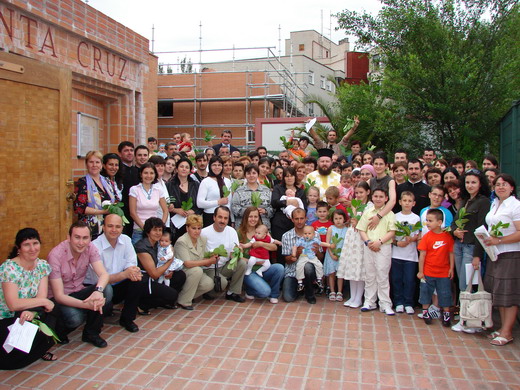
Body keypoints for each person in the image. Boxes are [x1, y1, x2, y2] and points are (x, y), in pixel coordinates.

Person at [0, 228, 59, 369]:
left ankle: (38, 350)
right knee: (9, 362)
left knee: (55, 313)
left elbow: (41, 296)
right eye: (27, 244)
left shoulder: (42, 266)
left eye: (35, 243)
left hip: (29, 313)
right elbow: (13, 304)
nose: (32, 248)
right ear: (18, 248)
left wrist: (33, 312)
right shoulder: (9, 268)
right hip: (6, 316)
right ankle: (34, 351)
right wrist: (43, 302)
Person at [48, 222, 109, 348]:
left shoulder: (90, 248)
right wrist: (86, 305)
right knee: (75, 318)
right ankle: (59, 330)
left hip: (78, 290)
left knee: (105, 290)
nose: (81, 242)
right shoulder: (55, 255)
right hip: (59, 298)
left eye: (85, 238)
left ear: (90, 238)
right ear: (68, 238)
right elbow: (59, 296)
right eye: (77, 237)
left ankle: (91, 333)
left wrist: (98, 291)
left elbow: (104, 274)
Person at [477, 174, 520, 346]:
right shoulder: (495, 203)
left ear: (512, 187)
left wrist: (499, 240)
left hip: (510, 253)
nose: (501, 187)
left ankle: (508, 332)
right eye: (498, 184)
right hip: (495, 253)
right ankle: (502, 328)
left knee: (509, 292)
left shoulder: (515, 205)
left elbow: (519, 232)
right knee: (499, 292)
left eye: (505, 184)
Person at [85, 214, 144, 333]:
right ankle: (94, 329)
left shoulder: (126, 240)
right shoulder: (94, 246)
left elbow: (131, 263)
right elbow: (101, 279)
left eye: (118, 226)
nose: (114, 230)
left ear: (122, 228)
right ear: (103, 227)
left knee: (137, 279)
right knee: (106, 289)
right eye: (110, 226)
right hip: (98, 289)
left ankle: (127, 319)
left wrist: (132, 272)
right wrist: (125, 274)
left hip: (117, 285)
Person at [450, 170, 490, 333]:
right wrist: (455, 231)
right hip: (459, 246)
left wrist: (477, 256)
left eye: (473, 182)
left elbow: (482, 229)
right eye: (467, 182)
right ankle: (465, 315)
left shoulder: (483, 202)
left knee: (467, 284)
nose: (470, 185)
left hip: (471, 247)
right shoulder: (464, 201)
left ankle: (471, 320)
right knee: (462, 283)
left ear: (480, 184)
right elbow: (454, 223)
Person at [357, 189, 397, 315]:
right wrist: (368, 242)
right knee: (370, 275)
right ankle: (369, 301)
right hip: (369, 246)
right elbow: (361, 229)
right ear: (372, 197)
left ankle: (385, 304)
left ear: (386, 198)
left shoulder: (389, 213)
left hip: (383, 247)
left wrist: (379, 242)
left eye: (381, 196)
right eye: (376, 196)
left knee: (382, 275)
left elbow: (392, 231)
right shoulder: (367, 212)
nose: (378, 199)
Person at [134, 218, 186, 313]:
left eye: (160, 230)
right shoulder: (142, 247)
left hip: (159, 275)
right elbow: (154, 274)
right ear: (148, 231)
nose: (158, 233)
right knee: (172, 295)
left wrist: (170, 271)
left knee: (180, 276)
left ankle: (162, 301)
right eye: (155, 230)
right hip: (145, 280)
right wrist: (169, 262)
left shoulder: (159, 243)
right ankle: (142, 304)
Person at [237, 207, 284, 303]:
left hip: (263, 269)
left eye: (256, 216)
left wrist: (262, 244)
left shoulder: (263, 231)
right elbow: (236, 256)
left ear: (259, 218)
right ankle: (250, 289)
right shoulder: (239, 232)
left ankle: (273, 295)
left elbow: (274, 247)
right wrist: (253, 262)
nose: (253, 219)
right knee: (264, 292)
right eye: (250, 216)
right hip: (249, 271)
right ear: (246, 217)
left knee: (279, 268)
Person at [417, 209, 455, 327]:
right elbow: (422, 255)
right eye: (426, 220)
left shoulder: (447, 237)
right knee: (425, 292)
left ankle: (446, 315)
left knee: (444, 293)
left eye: (430, 221)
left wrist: (451, 268)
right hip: (428, 271)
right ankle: (425, 313)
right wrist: (421, 271)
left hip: (443, 272)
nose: (427, 223)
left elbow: (451, 253)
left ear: (439, 223)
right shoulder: (426, 237)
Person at [201, 206, 246, 302]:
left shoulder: (232, 231)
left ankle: (232, 293)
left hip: (224, 266)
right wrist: (209, 259)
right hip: (209, 268)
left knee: (242, 263)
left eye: (225, 218)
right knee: (222, 283)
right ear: (214, 217)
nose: (222, 220)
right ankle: (208, 291)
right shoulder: (204, 233)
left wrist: (237, 253)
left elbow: (234, 252)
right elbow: (199, 256)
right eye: (220, 217)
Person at [338, 181, 373, 309]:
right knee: (352, 267)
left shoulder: (370, 206)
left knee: (360, 267)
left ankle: (359, 297)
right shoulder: (354, 204)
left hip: (362, 237)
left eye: (361, 192)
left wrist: (358, 222)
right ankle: (352, 296)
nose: (358, 195)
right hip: (352, 236)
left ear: (368, 192)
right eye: (356, 193)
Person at [173, 215, 216, 310]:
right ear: (187, 228)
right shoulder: (182, 241)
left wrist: (211, 259)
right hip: (181, 272)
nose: (197, 231)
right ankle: (184, 301)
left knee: (209, 284)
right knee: (197, 271)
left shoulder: (203, 239)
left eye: (199, 228)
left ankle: (182, 296)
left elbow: (204, 259)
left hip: (196, 271)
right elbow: (187, 263)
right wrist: (208, 261)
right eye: (194, 228)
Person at [281, 208, 324, 304]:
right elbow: (287, 260)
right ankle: (301, 288)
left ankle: (310, 294)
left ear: (306, 219)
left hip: (309, 268)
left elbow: (321, 258)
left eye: (301, 218)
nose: (299, 221)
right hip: (292, 271)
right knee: (288, 297)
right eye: (296, 219)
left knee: (308, 267)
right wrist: (296, 253)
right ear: (292, 219)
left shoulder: (315, 234)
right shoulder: (286, 236)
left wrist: (317, 251)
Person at [390, 191, 421, 315]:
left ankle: (409, 303)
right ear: (400, 202)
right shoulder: (395, 216)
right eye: (404, 200)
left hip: (410, 255)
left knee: (409, 280)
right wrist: (397, 243)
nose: (407, 203)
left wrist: (411, 239)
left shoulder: (416, 218)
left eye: (409, 201)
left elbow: (418, 234)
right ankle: (398, 302)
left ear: (413, 203)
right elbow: (391, 235)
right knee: (396, 279)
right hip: (396, 254)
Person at [74, 151, 115, 239]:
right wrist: (102, 212)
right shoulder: (83, 182)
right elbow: (79, 208)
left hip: (108, 225)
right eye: (91, 162)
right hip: (91, 227)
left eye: (97, 162)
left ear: (101, 165)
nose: (94, 165)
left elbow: (116, 200)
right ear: (86, 164)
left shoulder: (108, 182)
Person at [129, 162, 168, 244]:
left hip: (155, 232)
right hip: (139, 230)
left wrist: (160, 227)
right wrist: (146, 229)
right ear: (141, 174)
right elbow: (133, 212)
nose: (148, 176)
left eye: (151, 173)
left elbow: (165, 210)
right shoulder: (134, 190)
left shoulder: (158, 190)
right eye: (146, 173)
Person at [166, 157, 201, 242]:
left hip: (192, 223)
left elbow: (200, 204)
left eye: (187, 167)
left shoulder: (196, 185)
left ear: (190, 170)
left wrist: (193, 211)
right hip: (175, 224)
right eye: (181, 166)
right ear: (177, 169)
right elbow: (165, 203)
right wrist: (175, 210)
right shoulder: (169, 185)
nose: (184, 169)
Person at [271, 167, 307, 246]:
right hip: (280, 223)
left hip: (295, 224)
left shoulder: (301, 192)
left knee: (296, 247)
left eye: (291, 176)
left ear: (295, 177)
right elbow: (274, 202)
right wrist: (287, 202)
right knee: (281, 247)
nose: (289, 178)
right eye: (287, 176)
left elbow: (305, 208)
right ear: (283, 178)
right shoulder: (278, 188)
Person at [231, 164, 273, 229]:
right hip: (243, 227)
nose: (251, 176)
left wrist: (265, 211)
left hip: (263, 228)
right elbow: (234, 208)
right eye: (248, 173)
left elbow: (273, 208)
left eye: (254, 173)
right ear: (245, 175)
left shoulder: (266, 190)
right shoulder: (239, 191)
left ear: (258, 174)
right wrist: (249, 212)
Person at [197, 156, 231, 227]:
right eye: (214, 165)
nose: (217, 167)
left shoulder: (227, 181)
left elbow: (230, 202)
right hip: (210, 216)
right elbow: (199, 203)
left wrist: (232, 219)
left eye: (219, 165)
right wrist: (218, 202)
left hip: (225, 216)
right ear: (210, 167)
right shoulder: (206, 182)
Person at [323, 209, 348, 302]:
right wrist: (332, 254)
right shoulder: (331, 228)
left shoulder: (347, 229)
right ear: (332, 219)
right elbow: (327, 243)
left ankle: (340, 292)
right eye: (336, 218)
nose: (338, 220)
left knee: (340, 274)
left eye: (340, 218)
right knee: (332, 273)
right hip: (331, 254)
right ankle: (332, 291)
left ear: (344, 219)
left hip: (342, 254)